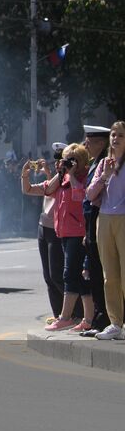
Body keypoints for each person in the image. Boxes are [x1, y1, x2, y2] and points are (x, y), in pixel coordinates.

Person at [28, 144, 96, 332]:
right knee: (80, 279)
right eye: (66, 159)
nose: (68, 163)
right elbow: (47, 190)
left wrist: (72, 174)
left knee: (69, 275)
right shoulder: (63, 177)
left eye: (72, 159)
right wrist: (60, 172)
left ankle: (66, 317)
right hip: (65, 232)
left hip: (79, 233)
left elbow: (80, 196)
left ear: (82, 161)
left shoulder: (84, 177)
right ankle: (87, 319)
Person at [85, 122, 125, 340]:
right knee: (109, 276)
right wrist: (104, 176)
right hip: (105, 219)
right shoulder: (103, 164)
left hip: (124, 218)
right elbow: (90, 195)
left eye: (120, 135)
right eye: (113, 135)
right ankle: (115, 323)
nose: (115, 139)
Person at [22, 145, 67, 323]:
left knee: (57, 275)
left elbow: (52, 189)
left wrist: (50, 174)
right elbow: (28, 189)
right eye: (56, 161)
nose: (57, 164)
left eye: (60, 161)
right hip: (44, 228)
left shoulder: (66, 180)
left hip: (58, 230)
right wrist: (25, 173)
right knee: (48, 277)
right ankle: (58, 315)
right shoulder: (53, 179)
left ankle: (71, 312)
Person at [81, 124, 112, 333]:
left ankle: (105, 319)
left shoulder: (104, 163)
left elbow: (94, 195)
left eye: (90, 141)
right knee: (94, 271)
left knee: (101, 272)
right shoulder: (96, 163)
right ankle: (99, 318)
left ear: (101, 143)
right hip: (91, 221)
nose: (85, 145)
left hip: (100, 219)